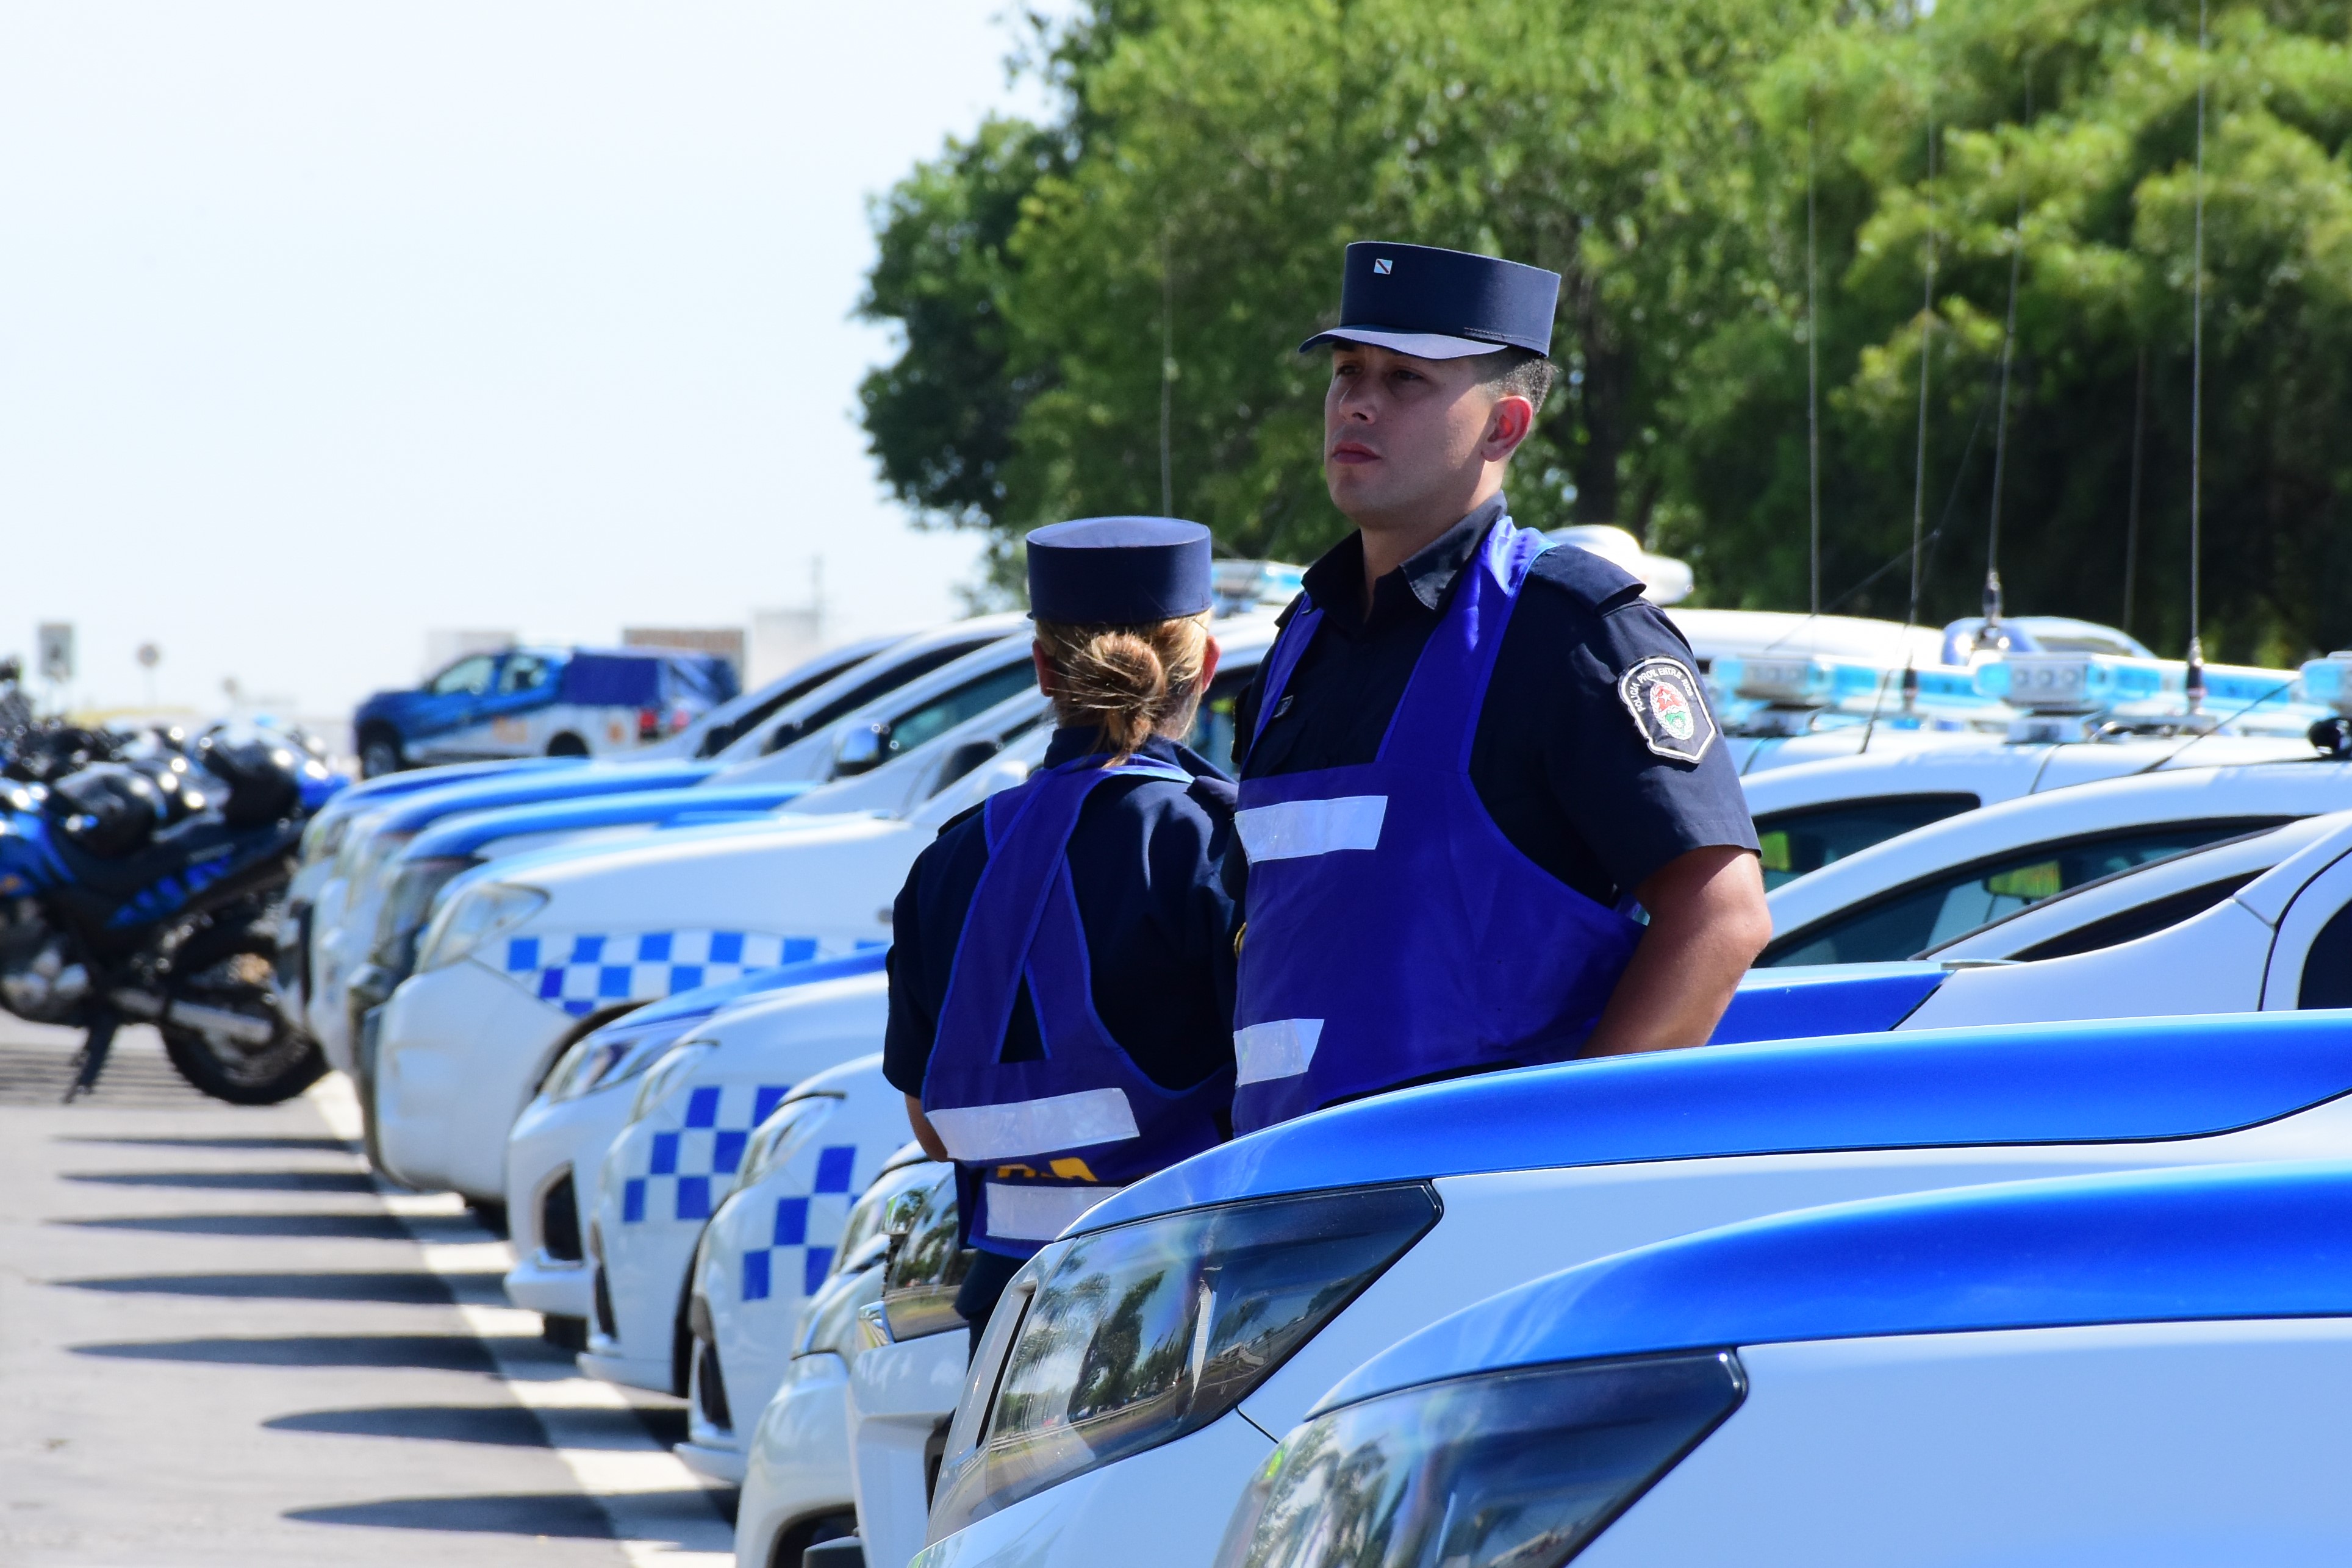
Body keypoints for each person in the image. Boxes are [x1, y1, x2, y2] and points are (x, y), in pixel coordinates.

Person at [1228, 240, 1773, 1134]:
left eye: (1406, 380)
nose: (1357, 400)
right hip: (1285, 1201)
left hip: (1467, 1213)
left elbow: (1722, 917)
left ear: (1505, 426)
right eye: (1347, 371)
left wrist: (1563, 1153)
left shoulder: (1566, 628)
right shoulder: (1301, 640)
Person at [885, 516, 1240, 1344]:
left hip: (1008, 1321)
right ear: (1207, 669)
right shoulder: (1219, 842)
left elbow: (931, 1129)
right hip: (1184, 1314)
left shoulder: (950, 859)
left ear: (1043, 668)